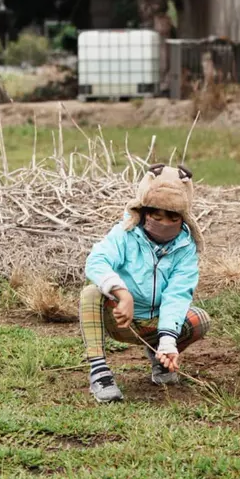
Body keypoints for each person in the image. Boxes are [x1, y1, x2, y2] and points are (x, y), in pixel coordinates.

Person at [80, 163, 210, 403]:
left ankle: (159, 354)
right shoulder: (124, 234)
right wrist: (122, 294)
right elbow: (97, 261)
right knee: (91, 293)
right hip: (119, 317)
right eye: (156, 214)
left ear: (183, 217)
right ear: (143, 211)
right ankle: (99, 372)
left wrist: (168, 340)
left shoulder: (185, 249)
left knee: (199, 319)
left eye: (172, 217)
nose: (163, 222)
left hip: (155, 323)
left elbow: (177, 294)